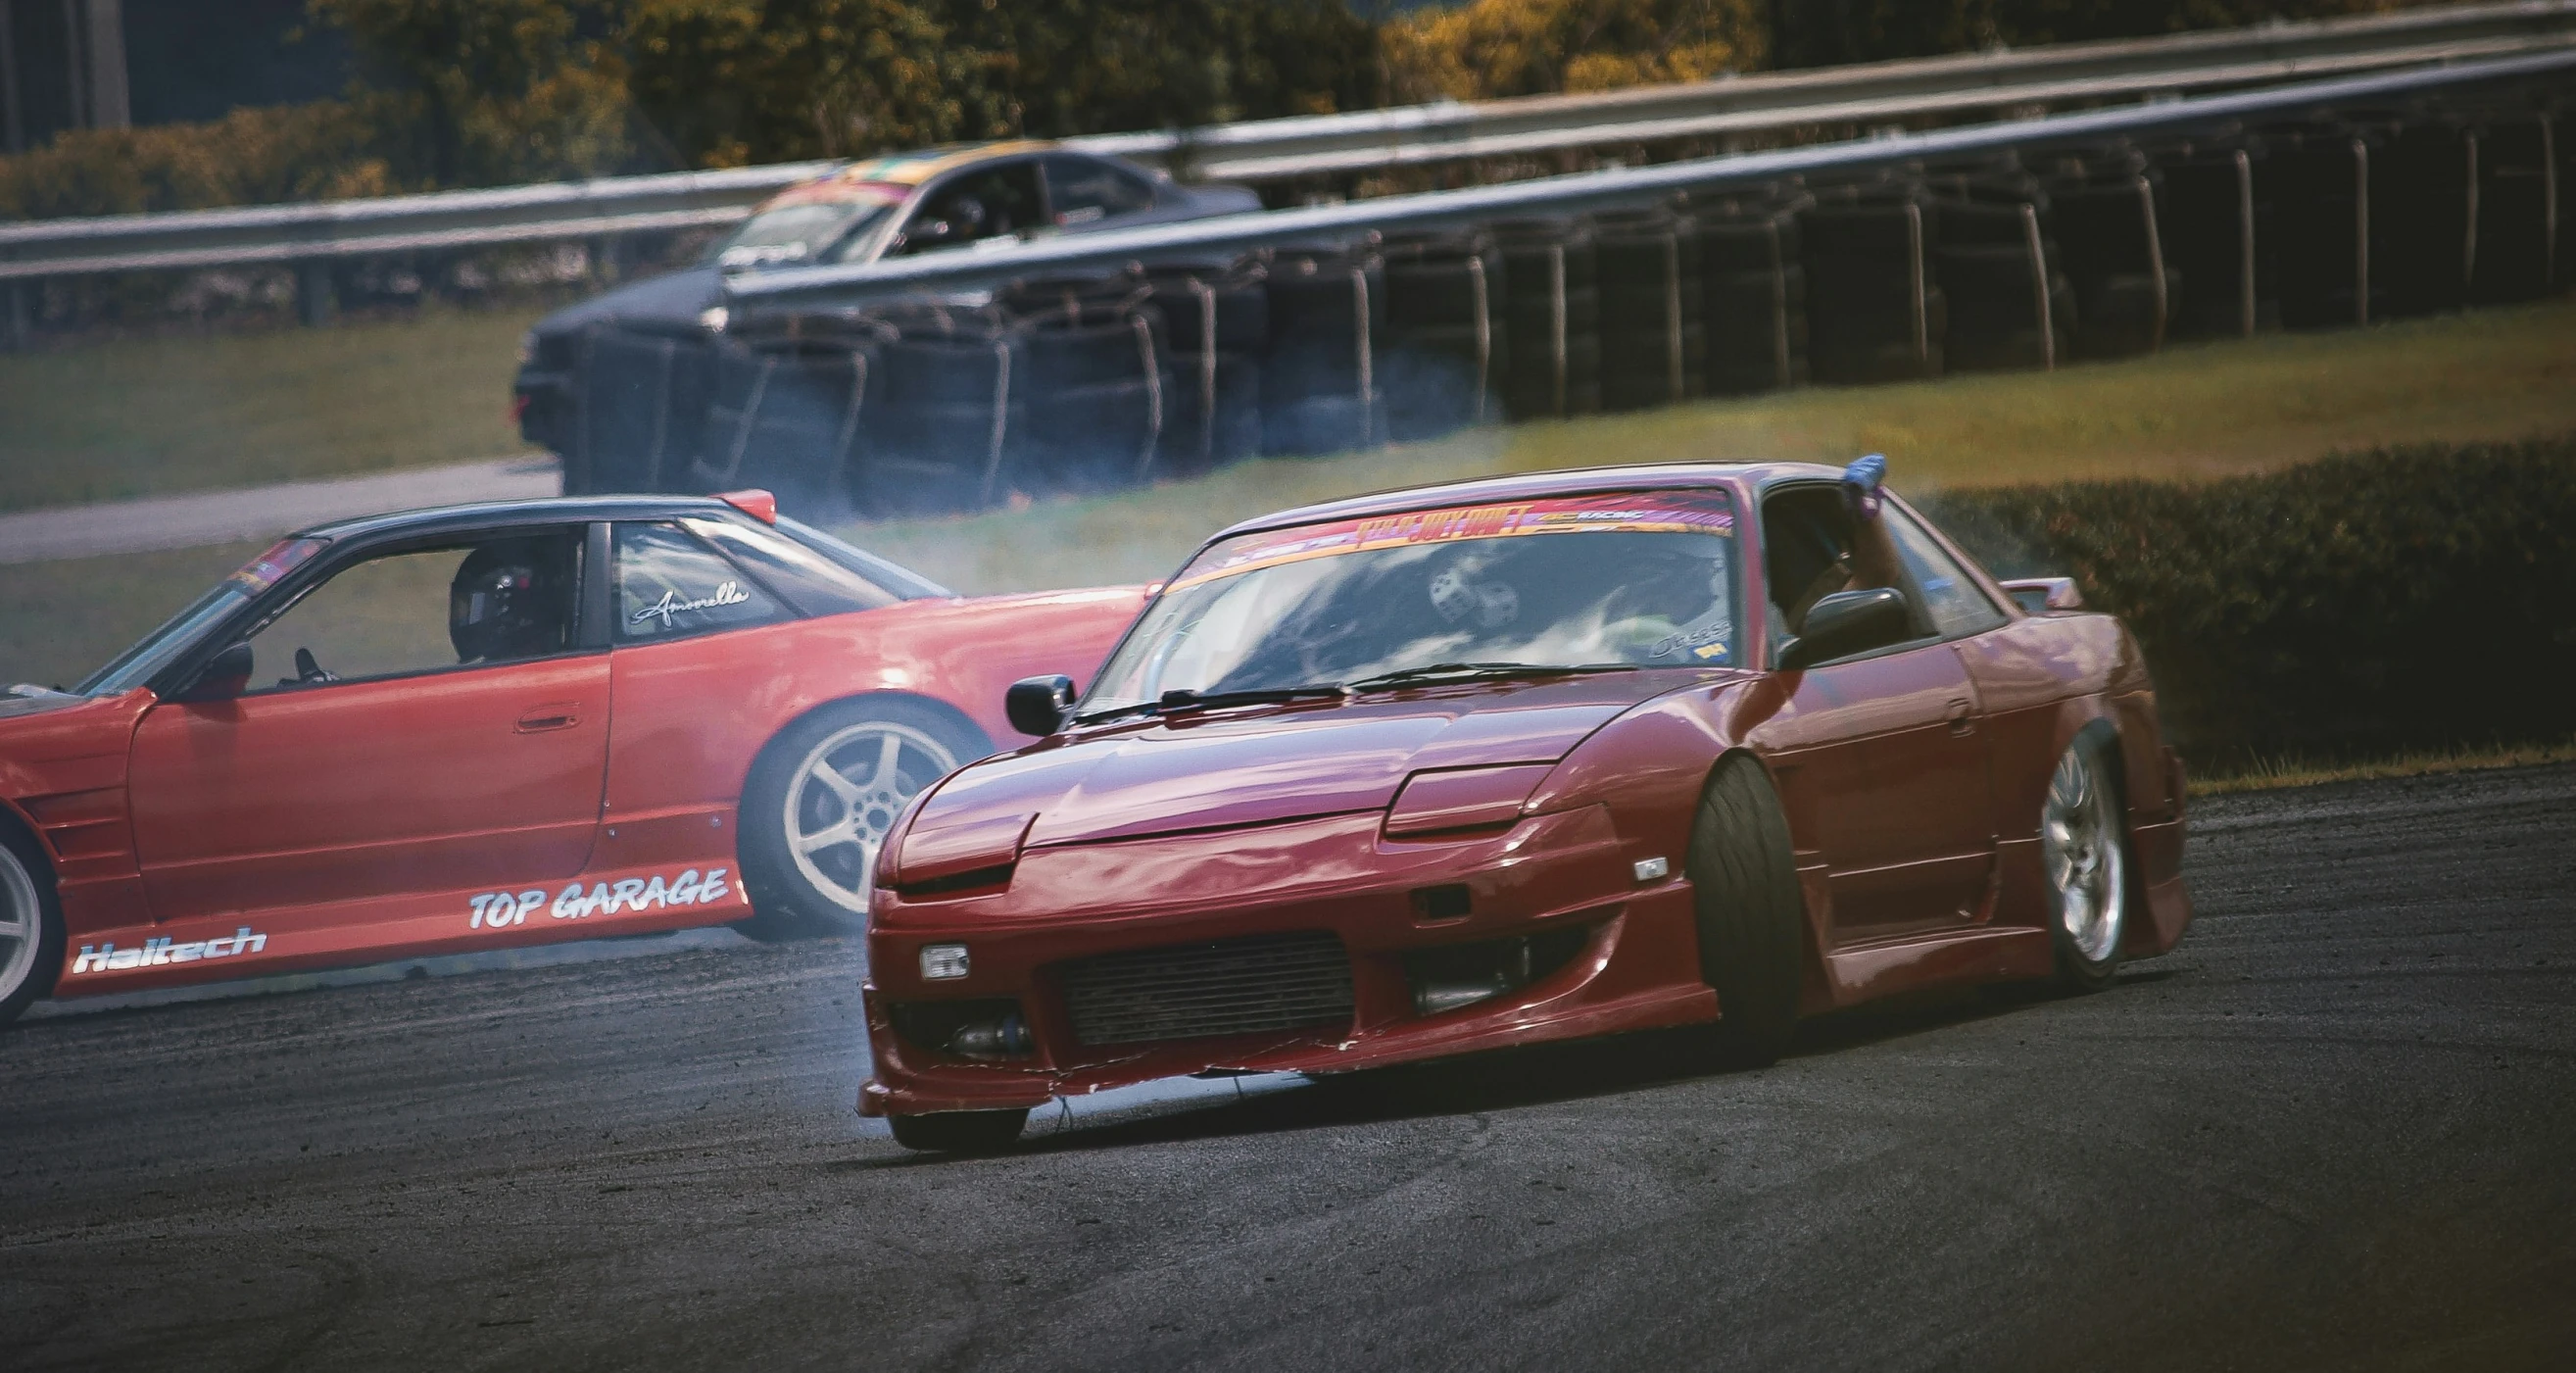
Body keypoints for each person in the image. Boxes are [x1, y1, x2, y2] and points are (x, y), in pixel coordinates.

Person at [449, 538, 572, 663]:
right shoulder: (496, 672)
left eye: (471, 607)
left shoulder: (532, 674)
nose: (460, 618)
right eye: (459, 608)